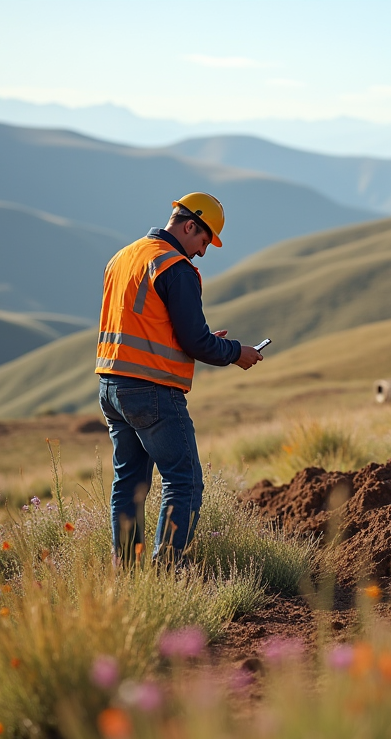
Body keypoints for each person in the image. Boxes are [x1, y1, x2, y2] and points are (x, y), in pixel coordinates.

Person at [95, 192, 263, 564]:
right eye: (204, 241)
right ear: (189, 225)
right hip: (153, 390)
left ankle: (127, 573)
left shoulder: (123, 257)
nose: (202, 252)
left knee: (129, 483)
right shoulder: (175, 267)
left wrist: (198, 343)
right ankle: (169, 573)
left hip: (111, 386)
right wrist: (237, 352)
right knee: (183, 481)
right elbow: (196, 341)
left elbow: (145, 324)